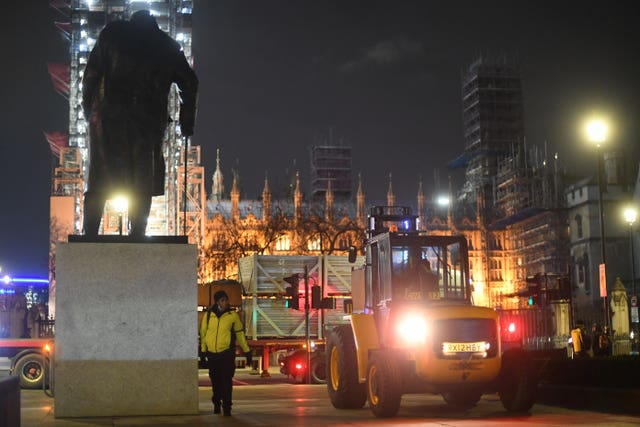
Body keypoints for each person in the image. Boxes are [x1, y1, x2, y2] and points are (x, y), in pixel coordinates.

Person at [81, 10, 198, 239]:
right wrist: (187, 123)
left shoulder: (111, 35)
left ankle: (89, 234)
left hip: (108, 122)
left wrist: (90, 114)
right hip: (147, 125)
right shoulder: (167, 46)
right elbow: (190, 83)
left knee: (100, 179)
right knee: (141, 181)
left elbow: (90, 77)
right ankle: (137, 234)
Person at [200, 290, 252, 416]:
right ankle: (217, 402)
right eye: (222, 300)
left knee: (227, 380)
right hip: (212, 354)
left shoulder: (232, 316)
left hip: (226, 353)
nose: (225, 302)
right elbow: (203, 334)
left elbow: (240, 334)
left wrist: (247, 351)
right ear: (217, 302)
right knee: (215, 381)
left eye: (226, 300)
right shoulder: (208, 316)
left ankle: (227, 406)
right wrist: (203, 352)